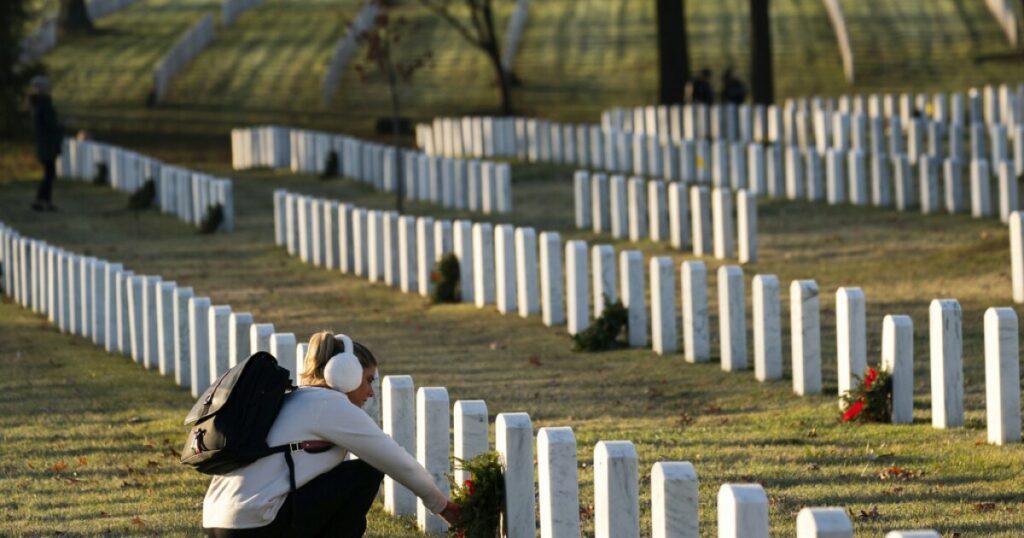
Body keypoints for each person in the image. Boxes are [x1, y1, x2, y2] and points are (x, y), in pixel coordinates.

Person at [202, 332, 461, 537]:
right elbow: (394, 459)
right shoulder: (327, 403)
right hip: (256, 523)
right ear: (346, 373)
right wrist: (442, 505)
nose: (371, 392)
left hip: (218, 520)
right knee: (365, 473)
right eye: (368, 380)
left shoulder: (295, 398)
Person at [29, 76, 63, 212]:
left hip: (46, 143)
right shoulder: (44, 106)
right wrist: (61, 126)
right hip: (47, 144)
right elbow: (50, 125)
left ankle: (43, 201)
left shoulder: (38, 105)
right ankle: (42, 201)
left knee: (49, 173)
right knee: (49, 174)